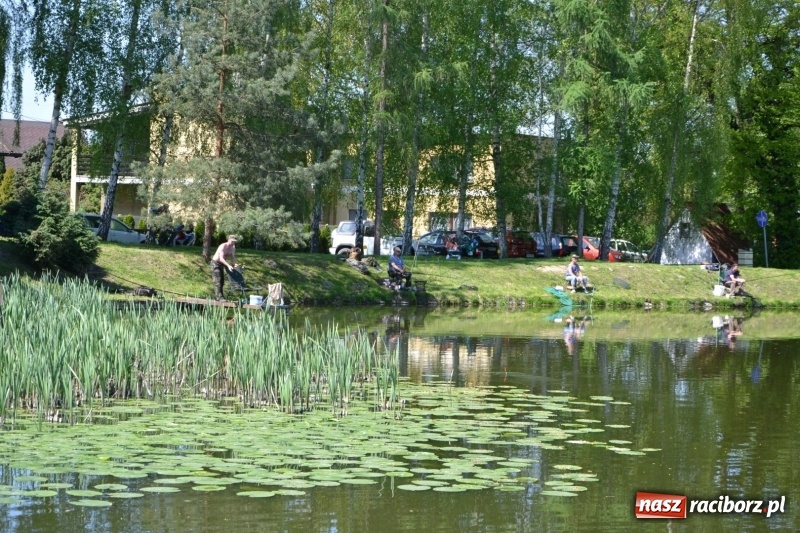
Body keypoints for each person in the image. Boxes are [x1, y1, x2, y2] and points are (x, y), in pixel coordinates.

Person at [211, 235, 238, 301]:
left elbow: (233, 257)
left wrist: (234, 264)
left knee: (222, 281)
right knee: (218, 281)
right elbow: (221, 258)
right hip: (215, 263)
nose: (233, 243)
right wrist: (228, 266)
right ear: (228, 240)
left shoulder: (233, 247)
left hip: (222, 264)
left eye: (234, 241)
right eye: (232, 241)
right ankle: (219, 297)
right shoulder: (223, 246)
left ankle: (220, 297)